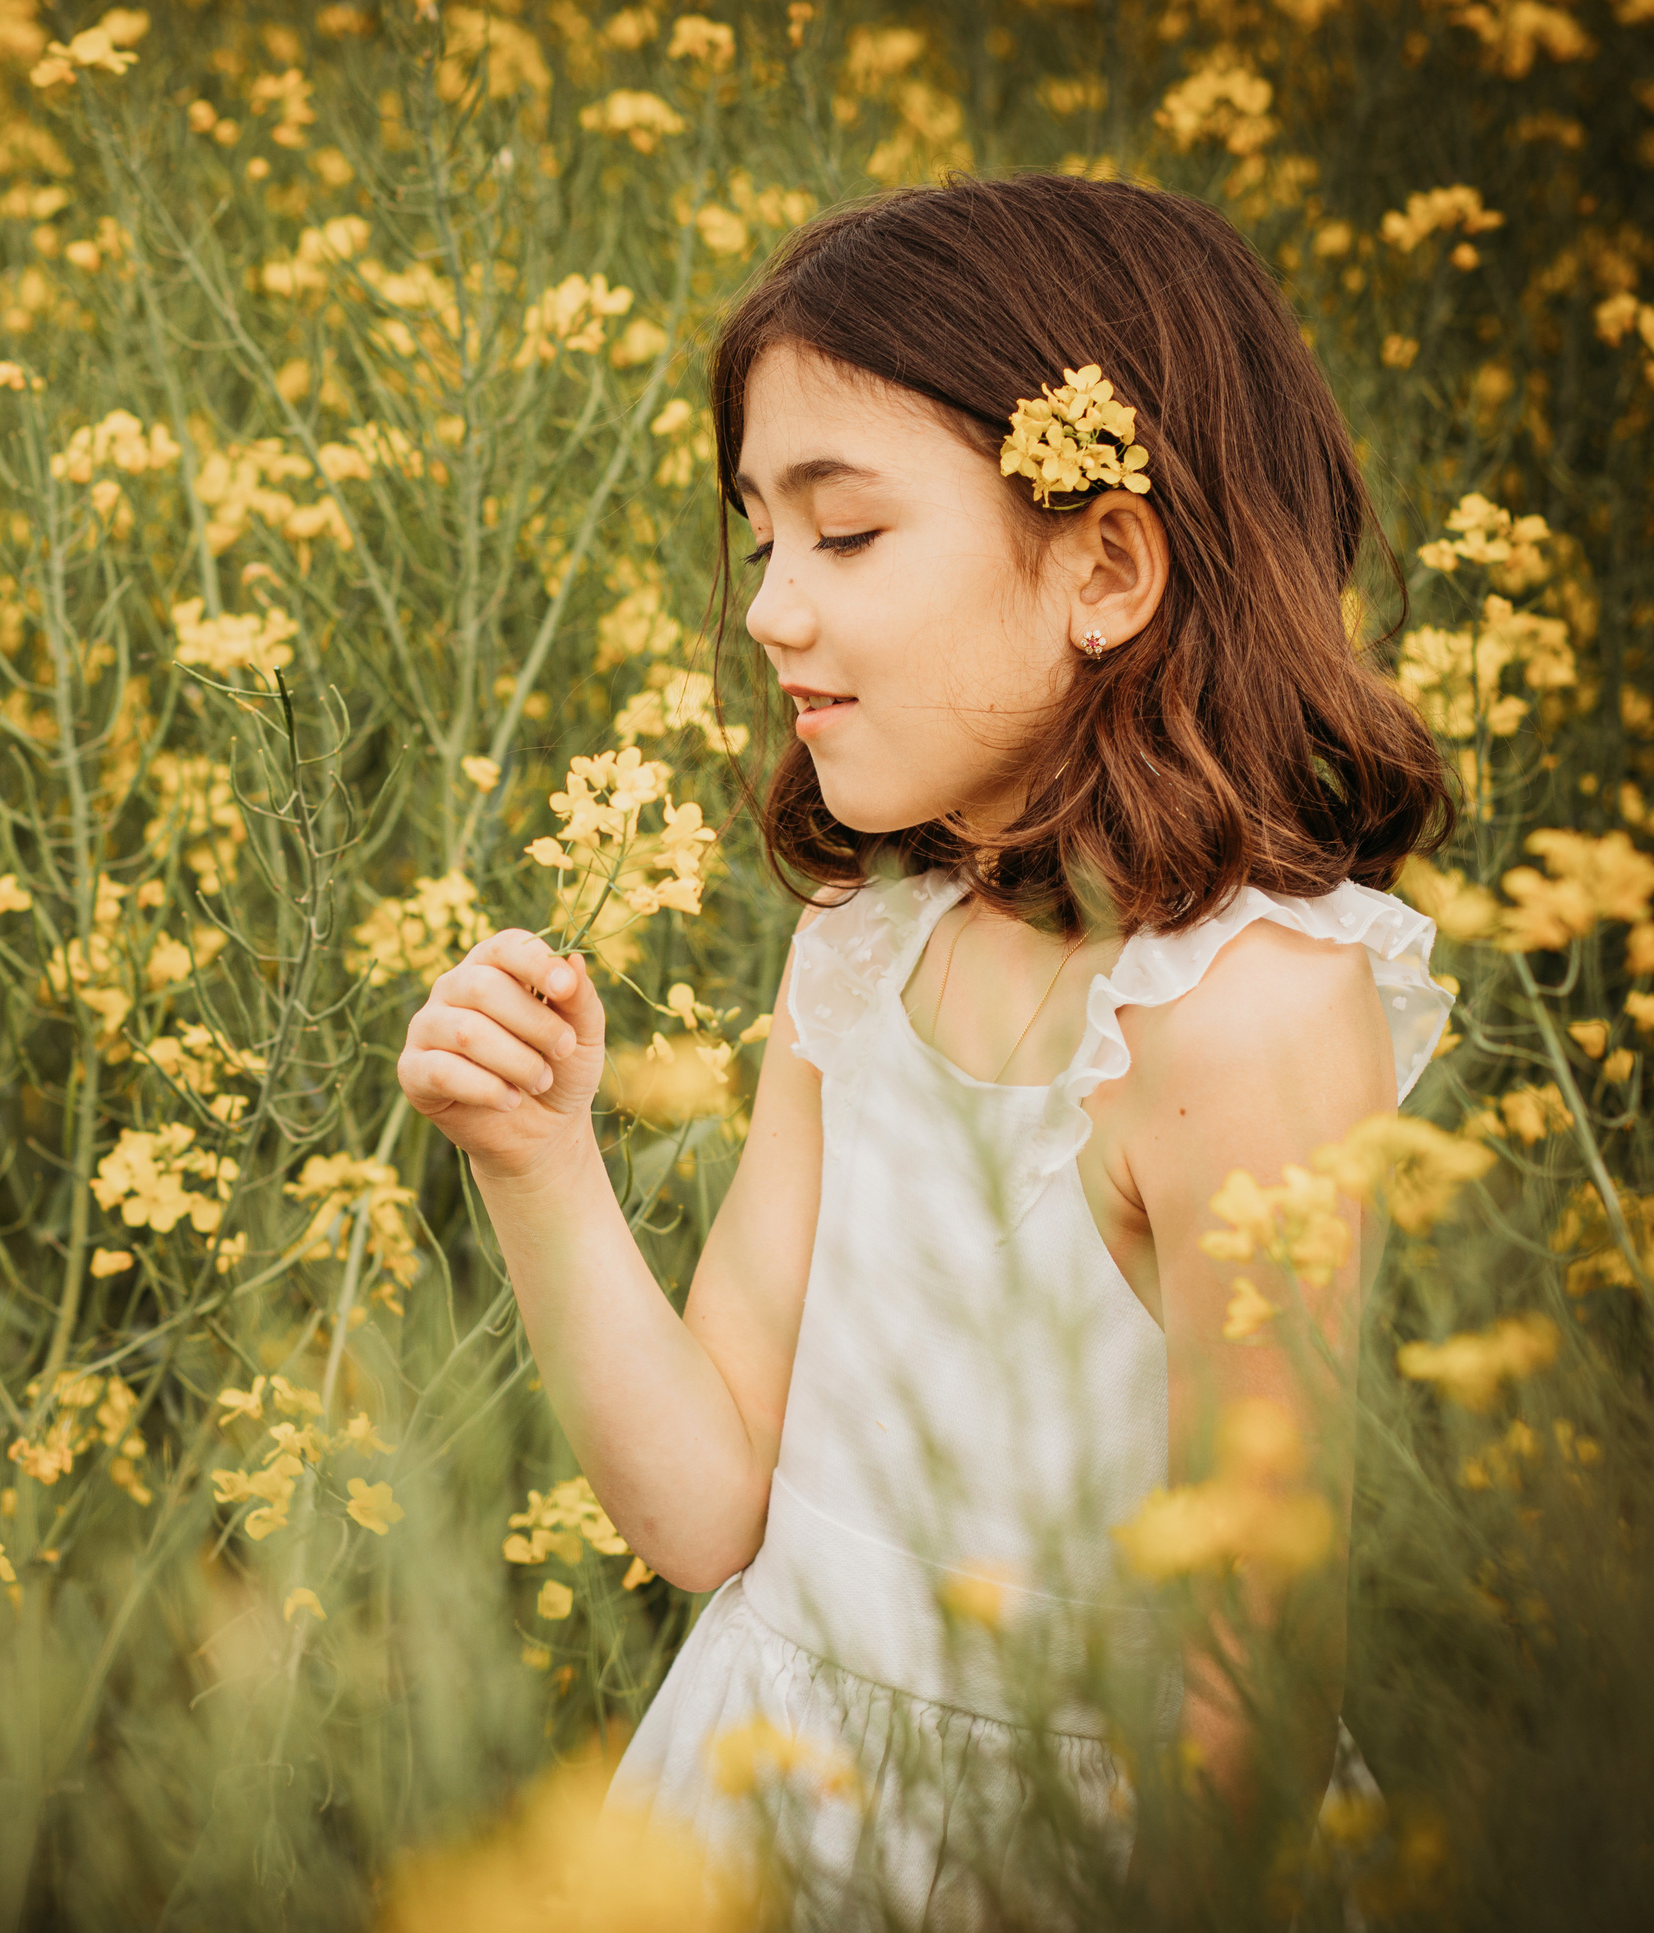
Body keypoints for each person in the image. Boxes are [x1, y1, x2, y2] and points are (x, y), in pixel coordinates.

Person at [392, 173, 1458, 1928]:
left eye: (848, 534)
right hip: (765, 1795)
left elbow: (1249, 1692)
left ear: (1104, 564)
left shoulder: (1248, 1017)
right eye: (761, 541)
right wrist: (538, 1159)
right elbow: (707, 1509)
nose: (768, 612)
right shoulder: (864, 950)